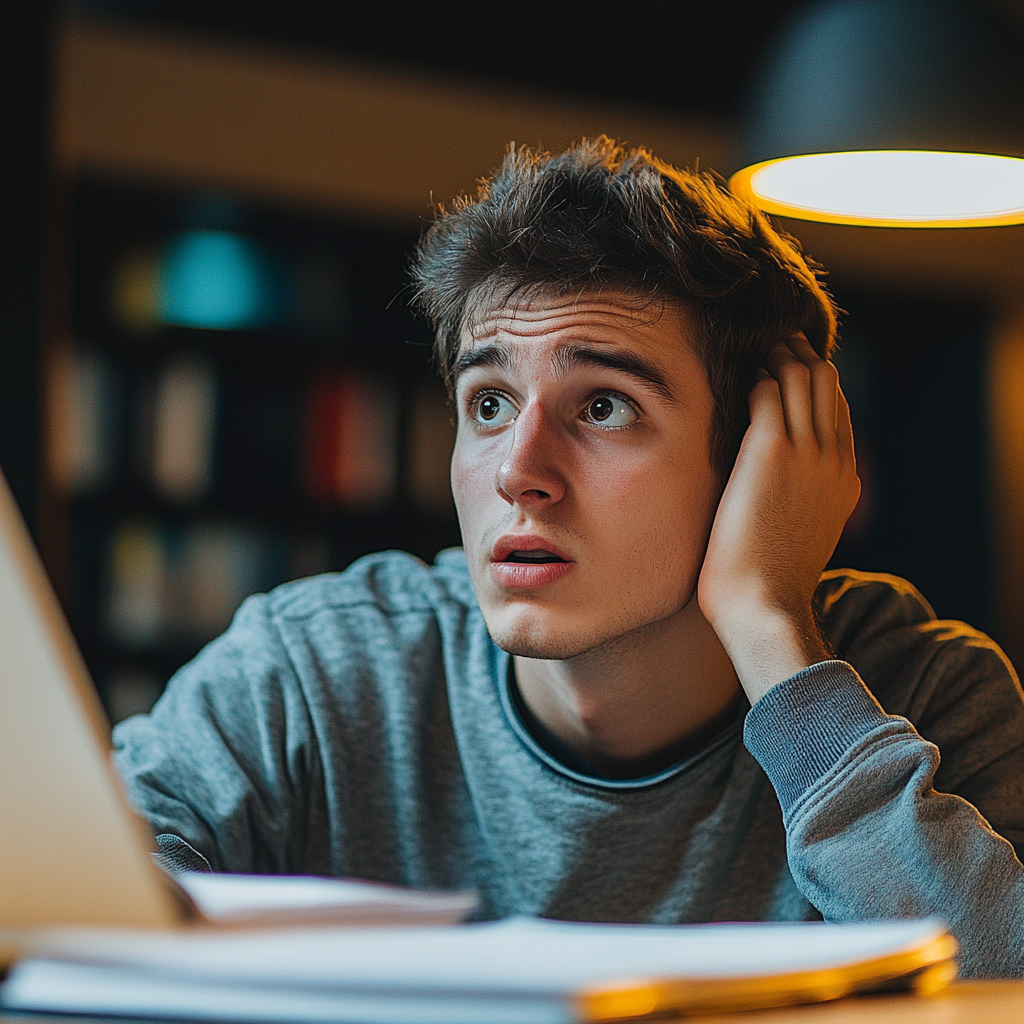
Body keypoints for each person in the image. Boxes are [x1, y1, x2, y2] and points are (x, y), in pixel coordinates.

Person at [113, 137, 1024, 977]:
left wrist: (768, 625)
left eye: (602, 407)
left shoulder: (927, 697)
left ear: (760, 458)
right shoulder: (314, 676)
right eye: (490, 403)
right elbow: (77, 911)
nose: (518, 471)